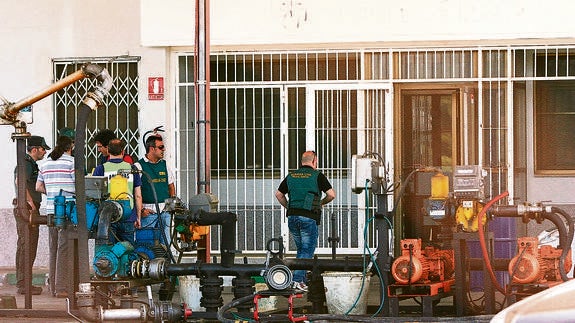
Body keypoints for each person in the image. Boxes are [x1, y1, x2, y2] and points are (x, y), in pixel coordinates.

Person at [274, 150, 336, 291]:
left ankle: (300, 281)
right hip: (308, 217)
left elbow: (278, 194)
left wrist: (288, 206)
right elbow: (331, 195)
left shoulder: (291, 175)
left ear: (302, 161)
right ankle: (296, 281)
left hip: (292, 217)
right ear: (315, 161)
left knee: (301, 250)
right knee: (307, 250)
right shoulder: (317, 175)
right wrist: (321, 203)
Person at [36, 135, 75, 298]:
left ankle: (53, 286)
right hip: (67, 210)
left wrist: (51, 192)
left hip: (51, 210)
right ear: (70, 147)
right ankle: (61, 288)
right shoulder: (71, 162)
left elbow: (38, 187)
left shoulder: (44, 163)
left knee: (54, 248)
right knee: (64, 249)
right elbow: (78, 186)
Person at [13, 135, 50, 295]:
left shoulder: (30, 163)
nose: (44, 152)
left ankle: (24, 282)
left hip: (27, 208)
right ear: (34, 149)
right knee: (26, 246)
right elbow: (19, 181)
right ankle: (23, 284)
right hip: (26, 210)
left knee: (28, 246)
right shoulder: (27, 164)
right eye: (43, 149)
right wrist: (31, 203)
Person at [92, 138, 142, 243]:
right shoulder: (132, 168)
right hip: (128, 215)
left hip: (108, 216)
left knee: (108, 250)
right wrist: (138, 217)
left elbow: (94, 195)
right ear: (123, 151)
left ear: (108, 151)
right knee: (128, 250)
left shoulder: (100, 169)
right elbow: (138, 196)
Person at [134, 135, 176, 250]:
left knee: (166, 242)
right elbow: (135, 191)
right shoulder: (138, 166)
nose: (164, 150)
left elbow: (171, 186)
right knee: (146, 242)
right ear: (152, 148)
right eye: (161, 147)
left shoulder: (164, 164)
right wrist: (141, 210)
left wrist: (171, 208)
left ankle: (166, 264)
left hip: (165, 210)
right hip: (148, 210)